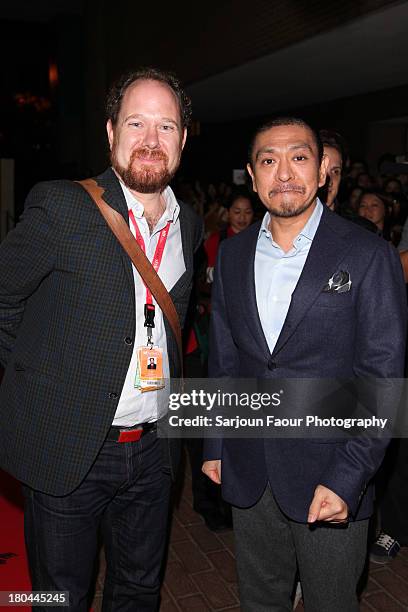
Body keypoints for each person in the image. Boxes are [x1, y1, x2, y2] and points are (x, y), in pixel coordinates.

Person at [0, 67, 202, 611]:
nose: (152, 140)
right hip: (70, 450)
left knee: (138, 590)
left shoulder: (190, 225)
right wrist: (24, 392)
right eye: (137, 123)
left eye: (167, 126)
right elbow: (3, 300)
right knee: (58, 597)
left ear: (183, 140)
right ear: (111, 133)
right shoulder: (63, 207)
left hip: (155, 452)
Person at [202, 117, 406, 612]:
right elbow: (225, 358)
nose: (285, 173)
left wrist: (350, 476)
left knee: (331, 603)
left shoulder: (367, 254)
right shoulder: (232, 255)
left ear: (322, 174)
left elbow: (382, 376)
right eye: (269, 161)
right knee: (260, 600)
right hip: (249, 469)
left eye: (299, 157)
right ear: (252, 176)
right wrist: (216, 443)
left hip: (330, 473)